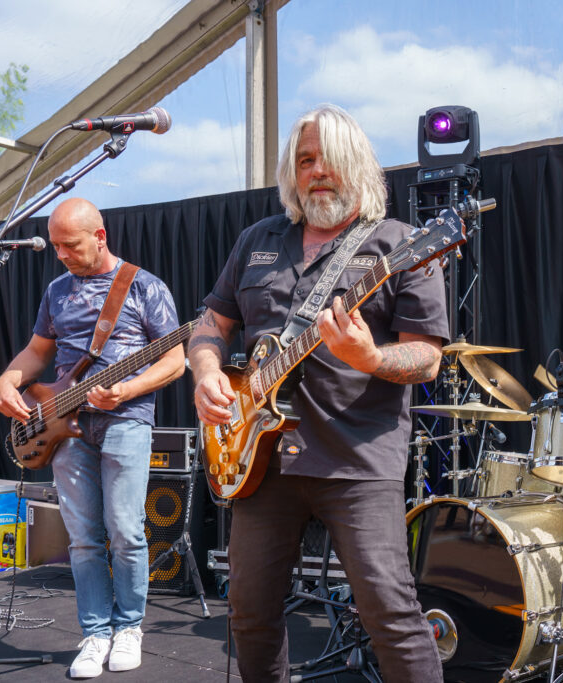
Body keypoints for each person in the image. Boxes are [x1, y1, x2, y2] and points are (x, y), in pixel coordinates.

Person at [189, 104, 448, 681]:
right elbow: (211, 321)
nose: (316, 170)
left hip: (357, 460)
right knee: (249, 613)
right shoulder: (258, 240)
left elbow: (427, 356)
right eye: (305, 160)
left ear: (357, 164)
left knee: (391, 618)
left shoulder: (401, 245)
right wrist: (207, 373)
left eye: (329, 158)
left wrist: (372, 357)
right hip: (260, 462)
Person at [0, 197, 185, 679]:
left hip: (126, 419)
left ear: (100, 237)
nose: (61, 254)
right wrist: (7, 379)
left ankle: (130, 627)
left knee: (125, 529)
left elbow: (175, 359)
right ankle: (96, 632)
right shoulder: (57, 289)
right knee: (82, 538)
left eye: (70, 245)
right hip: (62, 424)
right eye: (55, 246)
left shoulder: (145, 286)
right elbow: (38, 352)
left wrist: (129, 387)